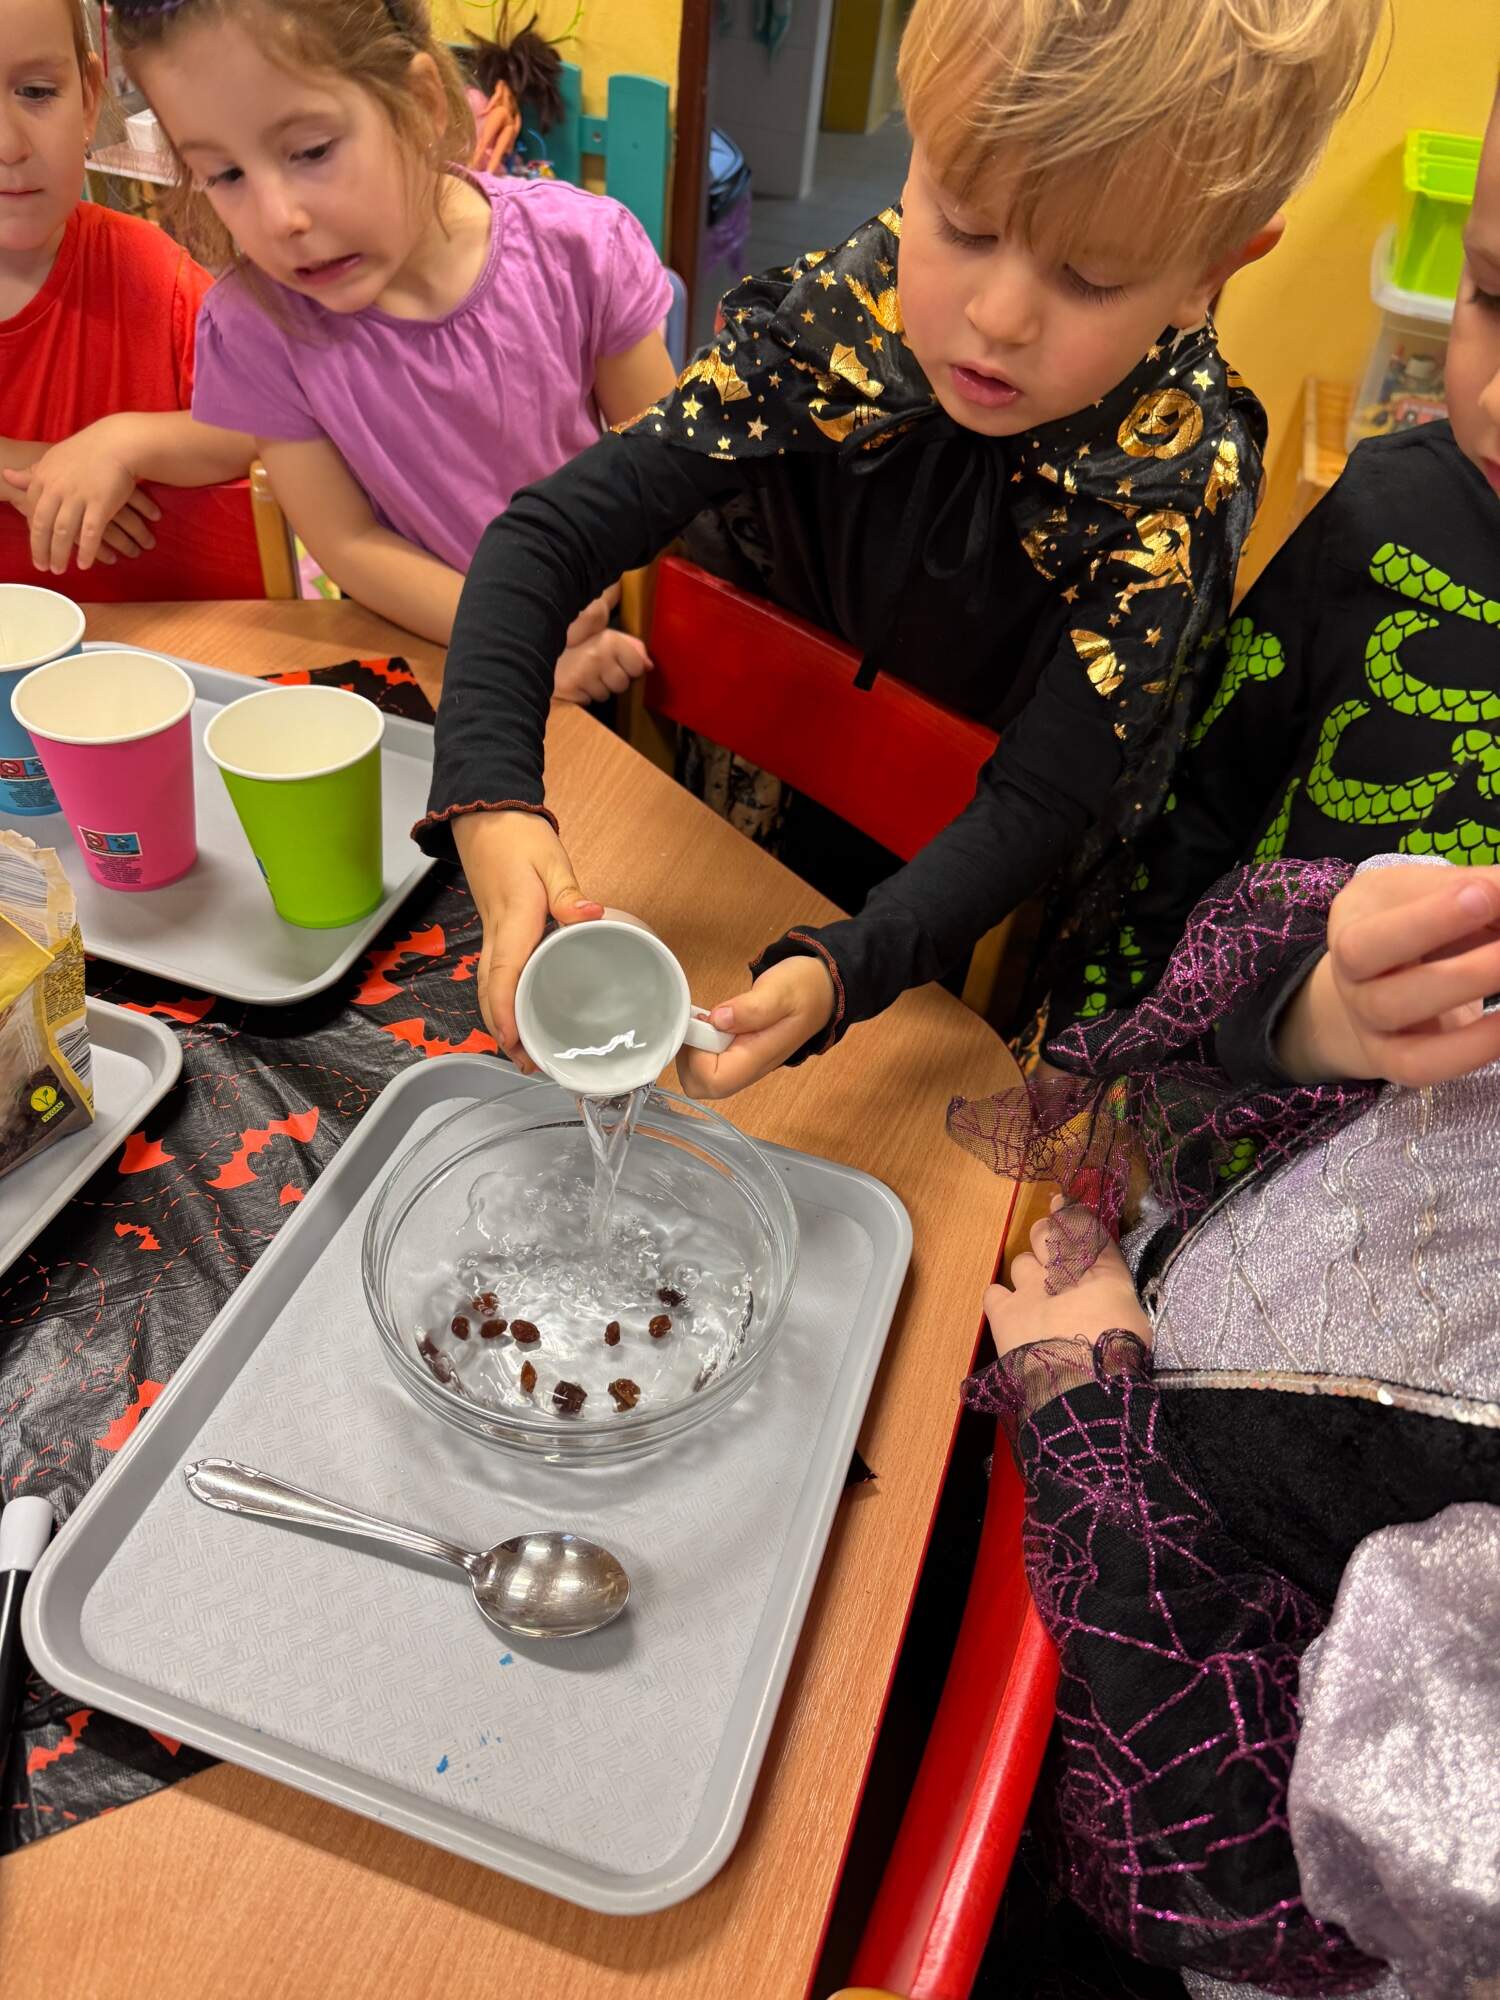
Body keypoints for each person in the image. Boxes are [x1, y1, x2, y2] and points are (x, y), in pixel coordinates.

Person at [411, 0, 1387, 1096]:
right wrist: (491, 795)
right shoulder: (848, 306)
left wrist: (847, 970)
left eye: (1092, 278)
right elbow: (546, 536)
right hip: (755, 800)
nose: (999, 316)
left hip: (964, 916)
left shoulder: (1179, 478)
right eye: (962, 224)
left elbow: (1039, 803)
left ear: (1214, 267)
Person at [959, 852, 1500, 1996]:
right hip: (1079, 1369)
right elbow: (1270, 1080)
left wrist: (1090, 1417)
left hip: (1106, 1758)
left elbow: (1259, 1863)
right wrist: (1316, 1021)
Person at [1060, 70, 1500, 1030]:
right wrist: (1096, 1030)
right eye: (1493, 296)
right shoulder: (1384, 512)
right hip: (1228, 1059)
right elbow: (1198, 800)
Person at [111, 0, 677, 698]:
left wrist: (587, 592)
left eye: (312, 151)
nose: (280, 219)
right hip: (435, 655)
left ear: (421, 101)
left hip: (614, 643)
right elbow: (349, 542)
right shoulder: (257, 327)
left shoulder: (580, 250)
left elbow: (661, 472)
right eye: (226, 174)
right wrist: (520, 628)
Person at [0, 0, 253, 586]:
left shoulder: (155, 279)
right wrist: (17, 464)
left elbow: (271, 423)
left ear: (89, 99)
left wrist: (124, 443)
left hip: (163, 630)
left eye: (37, 92)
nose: (9, 145)